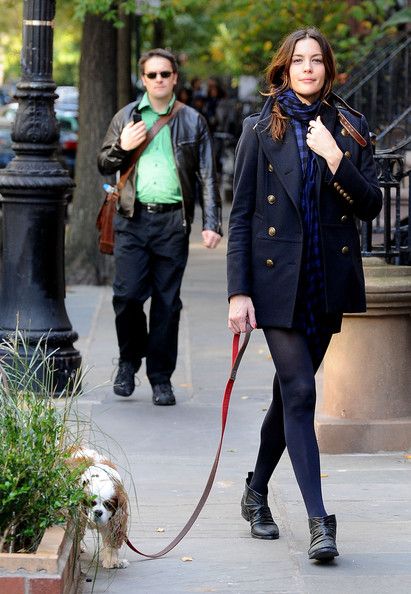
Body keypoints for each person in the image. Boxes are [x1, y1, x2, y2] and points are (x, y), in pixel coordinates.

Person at [227, 28, 382, 562]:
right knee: (300, 393)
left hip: (326, 281)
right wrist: (238, 292)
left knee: (287, 396)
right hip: (275, 284)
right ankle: (320, 523)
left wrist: (336, 159)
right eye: (299, 60)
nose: (308, 68)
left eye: (317, 60)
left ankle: (255, 491)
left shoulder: (351, 128)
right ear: (284, 69)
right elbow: (242, 216)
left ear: (328, 69)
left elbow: (371, 207)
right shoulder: (260, 128)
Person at [98, 48, 222, 406]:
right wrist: (122, 147)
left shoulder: (193, 121)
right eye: (152, 75)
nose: (158, 81)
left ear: (175, 79)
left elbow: (207, 176)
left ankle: (160, 377)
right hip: (132, 219)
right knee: (126, 296)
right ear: (143, 79)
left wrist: (211, 223)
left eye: (165, 74)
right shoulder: (127, 117)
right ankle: (128, 361)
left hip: (172, 222)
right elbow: (102, 161)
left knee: (167, 303)